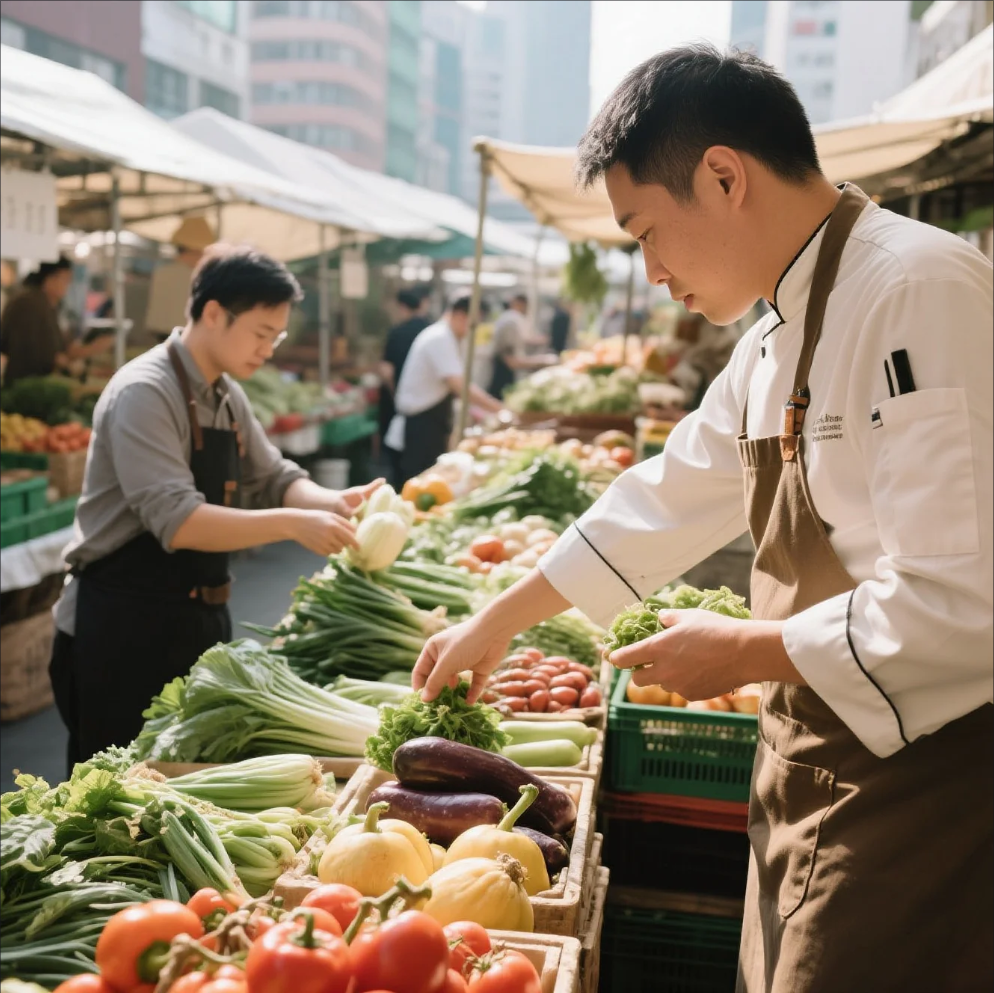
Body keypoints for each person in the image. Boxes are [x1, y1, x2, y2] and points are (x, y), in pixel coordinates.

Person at [413, 44, 992, 993]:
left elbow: (964, 601)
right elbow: (668, 491)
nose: (648, 271)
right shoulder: (775, 330)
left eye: (645, 232)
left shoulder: (914, 291)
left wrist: (744, 650)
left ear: (724, 175)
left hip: (915, 793)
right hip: (810, 762)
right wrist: (496, 621)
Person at [50, 244, 382, 772]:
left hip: (193, 620)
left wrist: (331, 502)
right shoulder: (145, 391)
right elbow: (178, 520)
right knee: (115, 792)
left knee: (182, 788)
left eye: (277, 337)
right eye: (260, 333)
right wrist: (295, 523)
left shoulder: (225, 394)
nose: (269, 349)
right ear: (211, 313)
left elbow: (273, 475)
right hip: (120, 626)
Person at [385, 296, 504, 483]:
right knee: (417, 486)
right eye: (473, 324)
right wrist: (499, 409)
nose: (472, 331)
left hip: (431, 423)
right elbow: (459, 385)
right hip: (419, 427)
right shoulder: (439, 337)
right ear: (459, 316)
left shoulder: (447, 337)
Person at [0, 258, 113, 385]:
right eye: (65, 280)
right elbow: (44, 355)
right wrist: (92, 349)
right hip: (27, 385)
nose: (68, 285)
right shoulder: (32, 303)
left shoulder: (42, 302)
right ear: (50, 278)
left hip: (30, 382)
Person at [379, 288, 431, 484]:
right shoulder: (430, 330)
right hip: (428, 414)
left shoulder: (397, 332)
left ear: (402, 307)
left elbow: (386, 371)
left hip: (399, 407)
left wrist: (396, 395)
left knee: (399, 467)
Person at [145, 216, 216, 343]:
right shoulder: (201, 276)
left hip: (163, 340)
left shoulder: (162, 272)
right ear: (195, 249)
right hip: (189, 342)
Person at [487, 294, 556, 399]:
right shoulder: (510, 323)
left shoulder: (510, 320)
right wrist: (544, 361)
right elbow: (511, 361)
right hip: (501, 381)